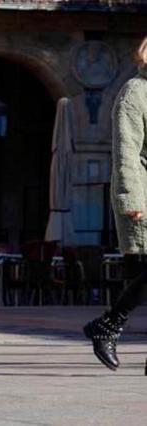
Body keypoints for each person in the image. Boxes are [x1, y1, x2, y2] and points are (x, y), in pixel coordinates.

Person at [83, 37, 147, 371]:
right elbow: (126, 153)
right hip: (142, 195)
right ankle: (107, 325)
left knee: (141, 279)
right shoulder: (135, 93)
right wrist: (131, 200)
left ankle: (106, 327)